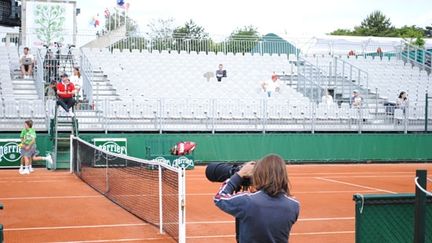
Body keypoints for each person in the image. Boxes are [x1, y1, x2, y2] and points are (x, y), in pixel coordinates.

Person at [214, 154, 300, 243]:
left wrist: (239, 175)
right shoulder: (294, 205)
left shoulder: (248, 202)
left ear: (260, 174)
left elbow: (219, 198)